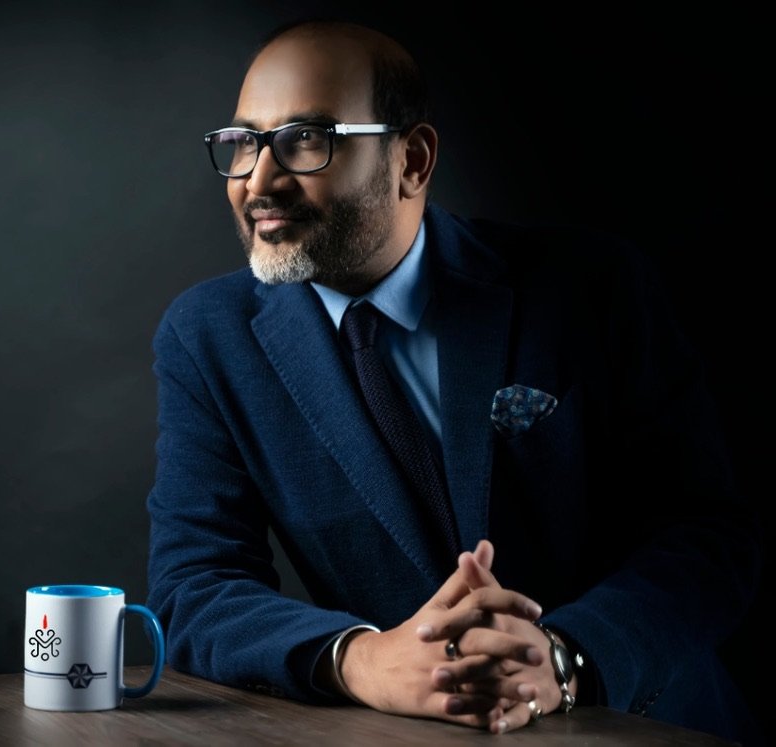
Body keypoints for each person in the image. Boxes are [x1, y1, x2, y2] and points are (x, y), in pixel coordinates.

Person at [145, 19, 762, 741]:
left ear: (411, 160)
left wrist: (566, 657)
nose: (258, 180)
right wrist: (360, 659)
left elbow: (709, 537)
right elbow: (195, 587)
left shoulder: (593, 286)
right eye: (244, 142)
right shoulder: (208, 337)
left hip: (641, 723)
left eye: (306, 139)